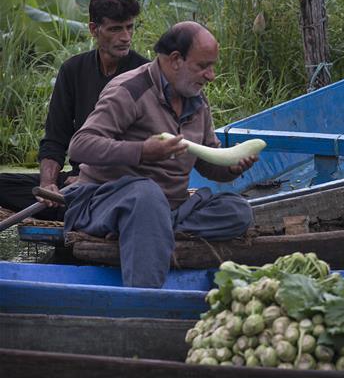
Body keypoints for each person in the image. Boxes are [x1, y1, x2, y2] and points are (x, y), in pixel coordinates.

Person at [56, 21, 255, 288]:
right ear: (175, 60)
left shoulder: (197, 101)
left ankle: (153, 230)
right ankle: (145, 298)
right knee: (146, 195)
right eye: (203, 66)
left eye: (212, 66)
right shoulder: (129, 90)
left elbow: (207, 164)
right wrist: (141, 151)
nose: (211, 76)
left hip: (171, 208)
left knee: (238, 210)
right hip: (106, 200)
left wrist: (231, 168)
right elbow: (80, 145)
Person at [0, 0, 148, 220]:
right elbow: (54, 140)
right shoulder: (73, 70)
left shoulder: (144, 75)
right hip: (73, 182)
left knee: (118, 197)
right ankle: (68, 207)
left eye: (129, 27)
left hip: (119, 182)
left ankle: (81, 209)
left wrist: (92, 178)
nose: (126, 37)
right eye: (116, 29)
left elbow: (145, 152)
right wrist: (48, 186)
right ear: (94, 29)